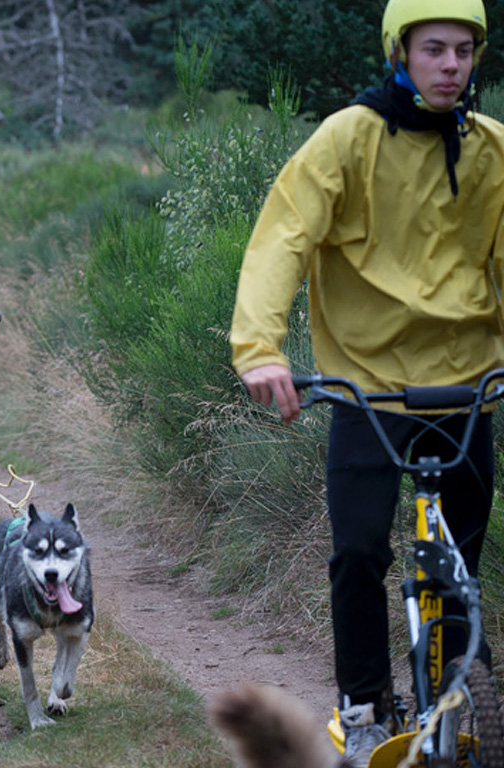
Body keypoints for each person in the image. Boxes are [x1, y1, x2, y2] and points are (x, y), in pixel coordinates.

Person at [229, 1, 504, 765]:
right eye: (433, 48)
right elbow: (283, 235)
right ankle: (366, 706)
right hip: (367, 388)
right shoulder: (349, 138)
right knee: (358, 553)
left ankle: (463, 694)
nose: (451, 65)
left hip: (466, 384)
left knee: (462, 565)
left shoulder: (490, 149)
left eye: (463, 51)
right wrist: (260, 348)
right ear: (399, 51)